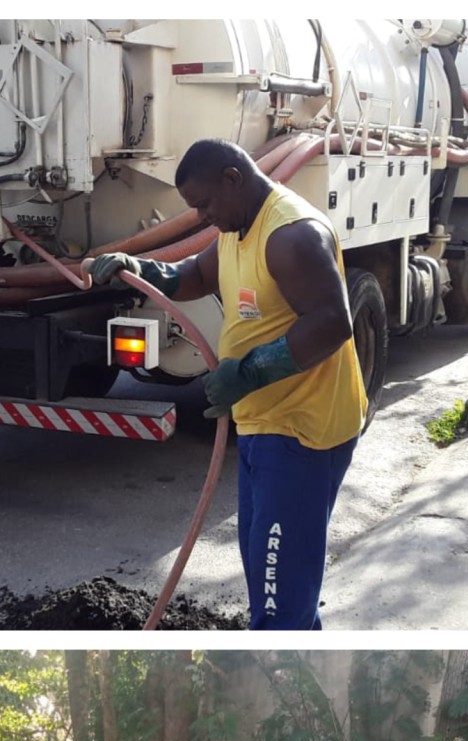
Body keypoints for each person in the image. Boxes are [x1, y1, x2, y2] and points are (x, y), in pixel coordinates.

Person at [89, 138, 367, 630]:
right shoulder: (238, 226)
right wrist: (143, 268)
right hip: (262, 422)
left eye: (205, 204)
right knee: (270, 573)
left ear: (233, 179)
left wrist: (250, 372)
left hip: (304, 429)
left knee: (280, 592)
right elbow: (196, 274)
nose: (201, 216)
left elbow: (331, 323)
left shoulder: (291, 235)